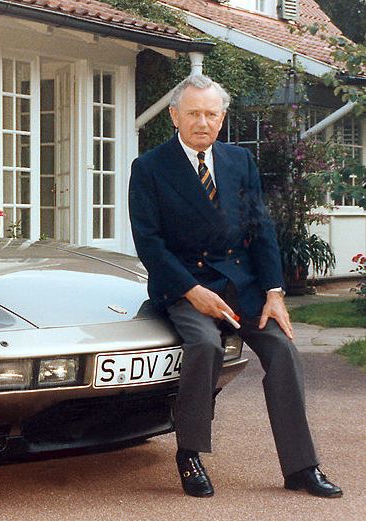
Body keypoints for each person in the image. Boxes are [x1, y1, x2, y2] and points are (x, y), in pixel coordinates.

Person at [128, 74, 342, 498]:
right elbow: (149, 244)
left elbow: (261, 230)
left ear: (221, 118)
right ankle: (189, 453)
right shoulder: (150, 168)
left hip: (241, 285)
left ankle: (301, 467)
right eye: (193, 113)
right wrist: (191, 290)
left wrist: (275, 293)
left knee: (282, 350)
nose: (202, 122)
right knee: (205, 345)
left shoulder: (239, 162)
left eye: (211, 114)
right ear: (175, 116)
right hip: (187, 286)